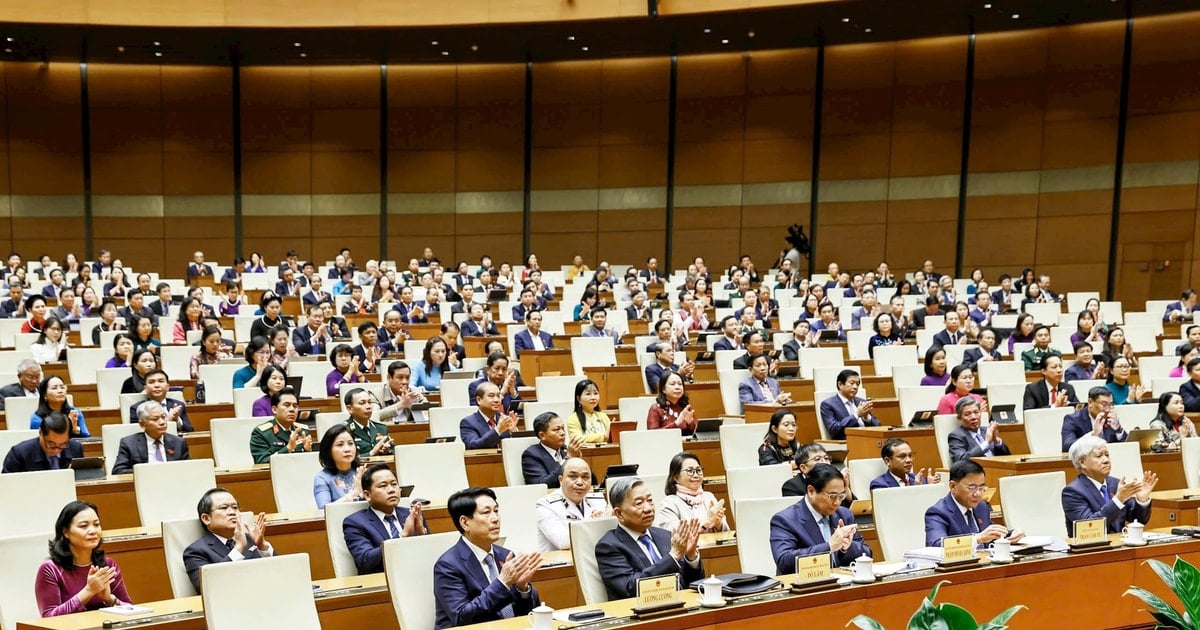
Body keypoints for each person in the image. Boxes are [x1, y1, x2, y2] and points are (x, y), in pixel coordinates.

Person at [433, 487, 541, 628]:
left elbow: (526, 615)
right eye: (486, 513)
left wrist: (522, 589)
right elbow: (461, 618)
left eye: (496, 511)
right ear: (465, 523)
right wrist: (502, 582)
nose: (495, 519)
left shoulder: (505, 555)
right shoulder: (448, 565)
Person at [595, 476, 704, 600]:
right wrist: (673, 557)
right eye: (639, 503)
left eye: (650, 500)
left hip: (679, 608)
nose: (648, 508)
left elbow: (692, 585)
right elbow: (632, 588)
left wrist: (691, 557)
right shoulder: (609, 546)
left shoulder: (665, 535)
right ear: (619, 513)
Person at [35, 501, 132, 617]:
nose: (93, 531)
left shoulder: (108, 565)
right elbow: (48, 618)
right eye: (83, 526)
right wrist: (89, 591)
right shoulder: (50, 569)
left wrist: (109, 599)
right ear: (65, 532)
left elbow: (131, 610)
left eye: (96, 524)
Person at [769, 463, 870, 571]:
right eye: (832, 496)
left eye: (841, 496)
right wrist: (829, 547)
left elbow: (867, 553)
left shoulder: (844, 515)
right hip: (806, 584)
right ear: (811, 491)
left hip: (842, 583)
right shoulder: (785, 520)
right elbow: (784, 561)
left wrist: (847, 547)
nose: (837, 503)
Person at [183, 488, 274, 593]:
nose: (232, 512)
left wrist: (262, 547)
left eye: (235, 507)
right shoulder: (195, 551)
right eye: (224, 508)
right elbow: (206, 587)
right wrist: (238, 549)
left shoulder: (251, 539)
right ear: (206, 518)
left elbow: (280, 573)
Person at [343, 463, 428, 574]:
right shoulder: (355, 522)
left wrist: (423, 535)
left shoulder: (411, 514)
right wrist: (402, 538)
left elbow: (429, 555)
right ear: (367, 495)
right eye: (383, 486)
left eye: (394, 484)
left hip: (417, 575)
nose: (391, 490)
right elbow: (365, 561)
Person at [1062, 435, 1156, 534]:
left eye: (1107, 455)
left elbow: (1139, 520)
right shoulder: (1072, 492)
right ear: (1082, 462)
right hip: (1092, 548)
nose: (1106, 460)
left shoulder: (1115, 484)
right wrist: (1118, 501)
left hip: (1119, 545)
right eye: (1099, 456)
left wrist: (1141, 501)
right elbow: (1089, 527)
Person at [924, 460, 1023, 546]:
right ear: (953, 486)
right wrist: (978, 539)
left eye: (981, 487)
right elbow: (936, 544)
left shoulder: (982, 507)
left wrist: (1013, 534)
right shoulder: (938, 512)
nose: (978, 494)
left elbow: (991, 534)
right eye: (972, 488)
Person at [535, 457, 608, 551]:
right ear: (561, 480)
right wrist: (593, 523)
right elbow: (562, 542)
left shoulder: (598, 500)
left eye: (585, 477)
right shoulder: (545, 505)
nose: (580, 482)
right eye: (573, 477)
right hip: (561, 562)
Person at [111, 401, 190, 475]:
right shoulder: (129, 443)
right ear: (142, 424)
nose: (162, 422)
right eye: (155, 419)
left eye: (163, 417)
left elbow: (188, 469)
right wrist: (150, 472)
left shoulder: (179, 443)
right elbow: (118, 471)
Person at [657, 451, 728, 533]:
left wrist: (719, 524)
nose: (695, 475)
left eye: (698, 470)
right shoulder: (669, 503)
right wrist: (705, 524)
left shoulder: (709, 497)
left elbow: (726, 533)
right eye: (690, 471)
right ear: (676, 477)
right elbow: (673, 535)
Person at [3, 412, 83, 473]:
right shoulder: (19, 454)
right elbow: (6, 487)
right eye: (51, 444)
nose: (56, 450)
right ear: (40, 433)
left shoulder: (75, 448)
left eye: (62, 444)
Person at [521, 411, 584, 487]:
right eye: (556, 430)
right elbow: (543, 485)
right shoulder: (531, 455)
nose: (562, 433)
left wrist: (579, 460)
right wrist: (568, 458)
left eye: (563, 428)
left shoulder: (564, 451)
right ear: (542, 435)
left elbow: (591, 480)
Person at [249, 388, 311, 464]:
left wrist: (309, 452)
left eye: (295, 406)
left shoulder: (303, 431)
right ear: (274, 410)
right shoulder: (261, 433)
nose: (292, 409)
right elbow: (262, 462)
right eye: (287, 405)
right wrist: (288, 448)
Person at [313, 424, 364, 508]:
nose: (347, 449)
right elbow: (324, 510)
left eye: (350, 443)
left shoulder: (362, 472)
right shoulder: (322, 478)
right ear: (328, 450)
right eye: (340, 445)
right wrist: (355, 493)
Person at [818, 369, 878, 440]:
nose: (855, 387)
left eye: (857, 384)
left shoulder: (862, 402)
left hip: (869, 439)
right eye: (852, 383)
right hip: (847, 441)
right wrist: (856, 415)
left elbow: (878, 426)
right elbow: (833, 429)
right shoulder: (828, 404)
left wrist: (867, 418)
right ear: (840, 384)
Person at [461, 381, 520, 449]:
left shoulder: (504, 419)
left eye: (498, 396)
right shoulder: (468, 422)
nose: (497, 400)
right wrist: (497, 430)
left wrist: (513, 432)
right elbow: (473, 446)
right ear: (479, 400)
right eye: (491, 396)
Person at [948, 397, 1010, 461]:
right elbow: (960, 459)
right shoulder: (956, 436)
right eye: (967, 414)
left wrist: (997, 441)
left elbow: (1008, 458)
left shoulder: (988, 430)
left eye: (976, 412)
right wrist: (986, 442)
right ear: (959, 418)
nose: (973, 417)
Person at [869, 438, 939, 490]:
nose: (909, 460)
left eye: (910, 456)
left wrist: (931, 488)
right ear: (887, 461)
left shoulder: (920, 479)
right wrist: (917, 490)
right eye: (902, 456)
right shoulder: (879, 485)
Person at [343, 387, 393, 458]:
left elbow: (395, 453)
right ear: (350, 408)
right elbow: (344, 459)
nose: (368, 406)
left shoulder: (381, 428)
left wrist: (388, 451)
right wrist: (371, 454)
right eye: (362, 403)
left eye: (369, 402)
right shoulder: (344, 431)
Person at [566, 378, 611, 444]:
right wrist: (603, 437)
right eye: (588, 394)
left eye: (595, 393)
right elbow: (576, 439)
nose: (593, 397)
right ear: (578, 399)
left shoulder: (603, 416)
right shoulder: (573, 418)